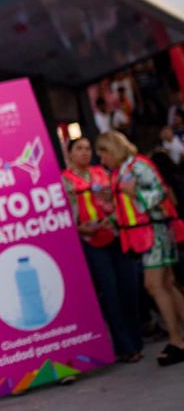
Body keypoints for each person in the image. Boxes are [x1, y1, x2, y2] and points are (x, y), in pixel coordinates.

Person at [96, 131, 184, 366]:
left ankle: (177, 340)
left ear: (112, 150)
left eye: (102, 154)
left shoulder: (138, 166)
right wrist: (111, 218)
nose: (101, 160)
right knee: (166, 284)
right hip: (143, 234)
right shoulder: (120, 172)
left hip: (154, 232)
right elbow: (126, 207)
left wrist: (134, 193)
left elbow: (161, 193)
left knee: (154, 285)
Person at [61, 138, 143, 362]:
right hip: (90, 242)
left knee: (129, 288)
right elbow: (63, 212)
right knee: (110, 293)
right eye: (79, 149)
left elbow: (121, 200)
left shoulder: (103, 172)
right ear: (69, 154)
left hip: (116, 235)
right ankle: (125, 347)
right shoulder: (64, 180)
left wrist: (114, 219)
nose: (85, 153)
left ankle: (137, 341)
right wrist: (79, 229)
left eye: (88, 149)